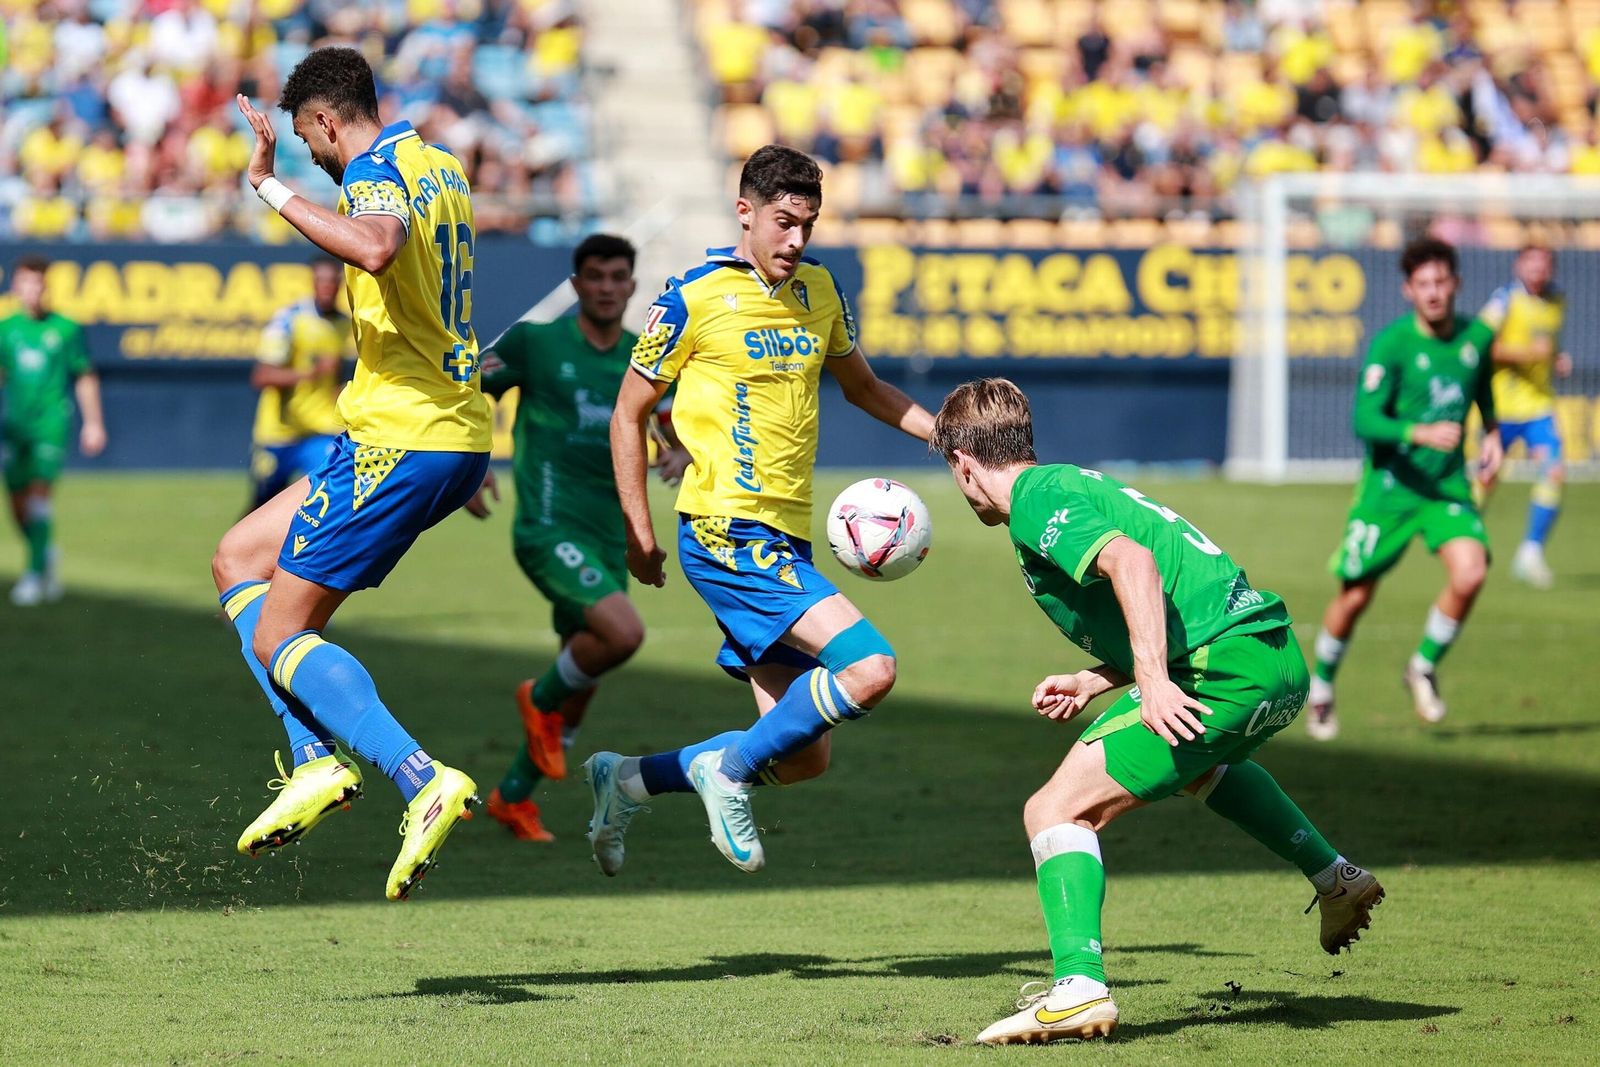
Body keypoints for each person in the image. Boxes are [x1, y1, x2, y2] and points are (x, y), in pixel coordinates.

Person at [926, 378, 1382, 1045]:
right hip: (1272, 660)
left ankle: (1079, 988)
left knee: (1054, 811)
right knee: (1201, 767)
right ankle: (1334, 877)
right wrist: (1095, 679)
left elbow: (1133, 563)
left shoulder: (1034, 501)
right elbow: (1171, 598)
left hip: (1221, 668)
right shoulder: (1069, 483)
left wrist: (1151, 679)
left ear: (964, 464)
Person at [585, 144, 934, 875]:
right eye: (783, 222)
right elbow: (627, 414)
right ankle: (729, 774)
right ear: (744, 212)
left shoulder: (820, 289)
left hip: (785, 538)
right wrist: (638, 532)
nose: (796, 239)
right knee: (870, 667)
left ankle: (629, 780)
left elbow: (865, 388)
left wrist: (951, 440)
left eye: (808, 225)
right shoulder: (692, 297)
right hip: (725, 532)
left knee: (802, 756)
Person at [212, 47, 493, 901]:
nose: (314, 158)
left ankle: (420, 777)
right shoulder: (441, 164)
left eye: (308, 142)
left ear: (328, 122)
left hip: (401, 438)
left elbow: (375, 246)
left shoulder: (372, 174)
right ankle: (314, 762)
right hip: (430, 430)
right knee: (237, 556)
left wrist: (269, 187)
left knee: (279, 635)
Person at [472, 233, 688, 842]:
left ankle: (513, 798)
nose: (606, 287)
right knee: (623, 635)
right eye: (594, 276)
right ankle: (536, 698)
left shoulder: (644, 356)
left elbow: (672, 427)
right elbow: (464, 387)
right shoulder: (535, 343)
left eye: (617, 277)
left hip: (609, 535)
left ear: (631, 286)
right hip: (548, 527)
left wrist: (680, 452)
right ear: (575, 285)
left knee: (583, 678)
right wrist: (470, 462)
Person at [1307, 237, 1503, 741]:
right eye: (1423, 284)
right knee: (1354, 597)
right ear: (1408, 291)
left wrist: (1493, 433)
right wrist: (1418, 432)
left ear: (1456, 283)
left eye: (1441, 282)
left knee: (1471, 572)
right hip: (1389, 491)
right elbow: (1364, 419)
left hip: (1444, 488)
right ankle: (1322, 686)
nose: (1433, 292)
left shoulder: (1477, 338)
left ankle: (1422, 665)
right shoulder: (1392, 345)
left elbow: (1481, 387)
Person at [0, 256, 107, 606]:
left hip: (50, 424)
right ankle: (44, 552)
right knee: (17, 507)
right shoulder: (6, 329)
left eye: (38, 284)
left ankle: (33, 576)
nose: (32, 291)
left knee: (38, 497)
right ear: (15, 287)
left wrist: (93, 423)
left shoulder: (66, 328)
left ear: (46, 287)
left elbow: (84, 376)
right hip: (15, 427)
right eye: (25, 283)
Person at [1479, 244, 1570, 589]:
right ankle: (1463, 539)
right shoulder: (1503, 301)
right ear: (1519, 265)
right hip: (1501, 407)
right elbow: (1484, 345)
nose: (1538, 270)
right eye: (1531, 263)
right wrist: (1530, 354)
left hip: (1538, 408)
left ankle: (1530, 553)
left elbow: (1548, 346)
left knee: (1554, 471)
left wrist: (1556, 358)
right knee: (1486, 478)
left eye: (1544, 264)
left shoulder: (1557, 300)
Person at [246, 256, 350, 514]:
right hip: (280, 430)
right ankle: (238, 541)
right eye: (322, 281)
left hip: (320, 428)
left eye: (333, 282)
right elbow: (262, 376)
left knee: (330, 496)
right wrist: (311, 373)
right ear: (312, 283)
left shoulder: (345, 323)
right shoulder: (290, 320)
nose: (327, 287)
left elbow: (335, 375)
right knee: (262, 507)